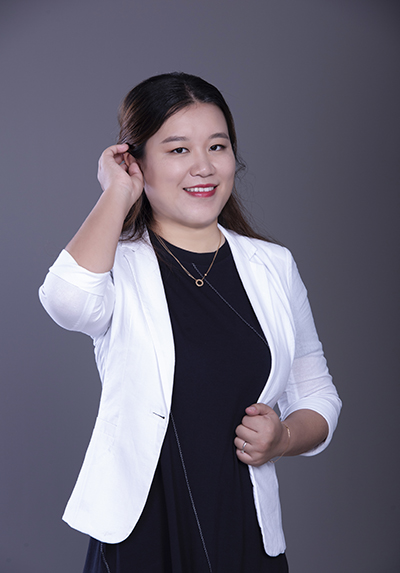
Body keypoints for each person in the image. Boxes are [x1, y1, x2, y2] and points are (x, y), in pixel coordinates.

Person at [39, 72, 341, 573]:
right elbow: (66, 301)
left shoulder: (273, 266)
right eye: (178, 149)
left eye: (217, 146)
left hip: (242, 524)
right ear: (136, 161)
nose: (204, 166)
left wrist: (284, 438)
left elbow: (318, 394)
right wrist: (117, 192)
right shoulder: (116, 263)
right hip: (140, 532)